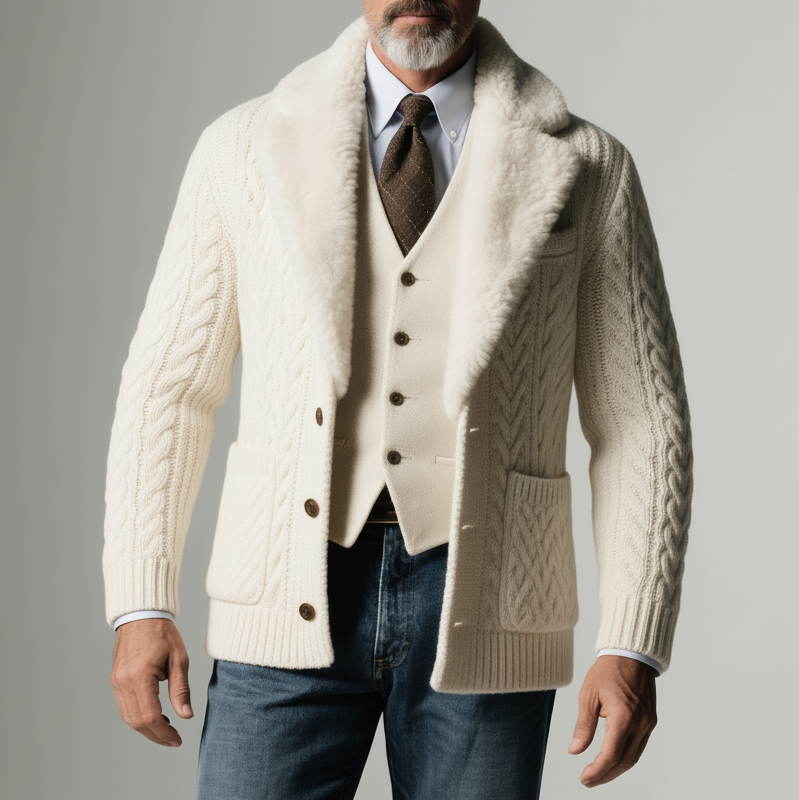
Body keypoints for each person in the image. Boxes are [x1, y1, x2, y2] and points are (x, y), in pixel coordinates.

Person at [103, 1, 693, 797]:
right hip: (281, 584)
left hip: (491, 598)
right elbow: (169, 387)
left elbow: (639, 421)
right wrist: (140, 601)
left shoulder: (590, 165)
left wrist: (632, 640)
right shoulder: (242, 147)